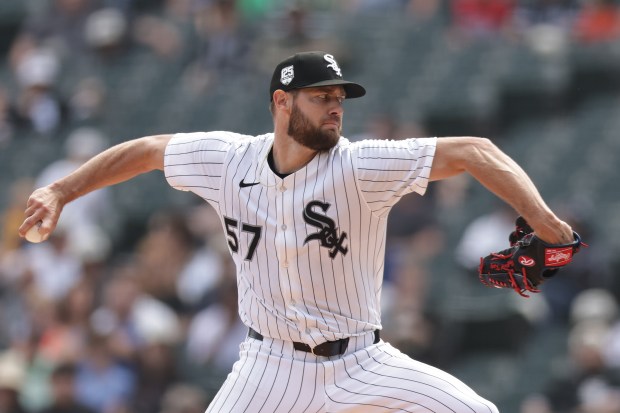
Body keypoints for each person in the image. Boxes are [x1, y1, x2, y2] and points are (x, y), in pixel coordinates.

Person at [19, 50, 575, 412]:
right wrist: (61, 191)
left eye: (340, 99)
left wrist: (545, 222)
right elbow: (145, 152)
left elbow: (475, 151)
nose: (336, 109)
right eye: (322, 97)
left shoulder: (360, 166)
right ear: (282, 103)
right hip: (269, 366)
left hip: (363, 362)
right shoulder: (227, 159)